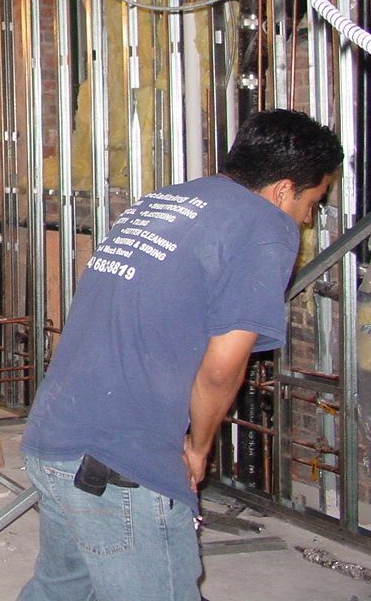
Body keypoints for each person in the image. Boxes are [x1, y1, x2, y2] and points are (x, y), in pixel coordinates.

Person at [18, 108, 343, 601]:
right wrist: (197, 447)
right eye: (313, 203)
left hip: (54, 438)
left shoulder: (166, 201)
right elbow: (221, 369)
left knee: (61, 590)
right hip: (117, 466)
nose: (307, 217)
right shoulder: (266, 225)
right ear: (283, 190)